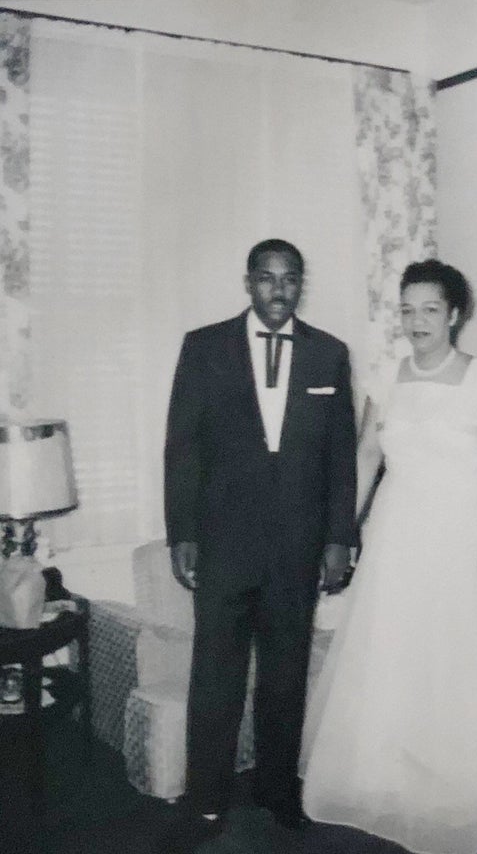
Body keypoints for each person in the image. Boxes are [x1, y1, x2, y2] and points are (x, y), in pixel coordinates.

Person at [299, 259, 477, 854]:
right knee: (396, 653)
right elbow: (365, 461)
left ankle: (465, 782)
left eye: (430, 308)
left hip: (464, 529)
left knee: (464, 654)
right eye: (407, 309)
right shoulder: (388, 377)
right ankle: (398, 775)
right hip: (398, 531)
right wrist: (340, 534)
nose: (417, 320)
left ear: (455, 314)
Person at [161, 239, 357, 852]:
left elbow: (341, 459)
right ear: (248, 283)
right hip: (223, 545)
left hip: (297, 550)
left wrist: (337, 541)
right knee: (215, 675)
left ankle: (277, 790)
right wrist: (183, 533)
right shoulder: (204, 346)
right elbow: (182, 448)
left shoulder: (329, 354)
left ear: (302, 285)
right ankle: (207, 797)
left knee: (285, 675)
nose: (279, 290)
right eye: (268, 278)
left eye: (290, 279)